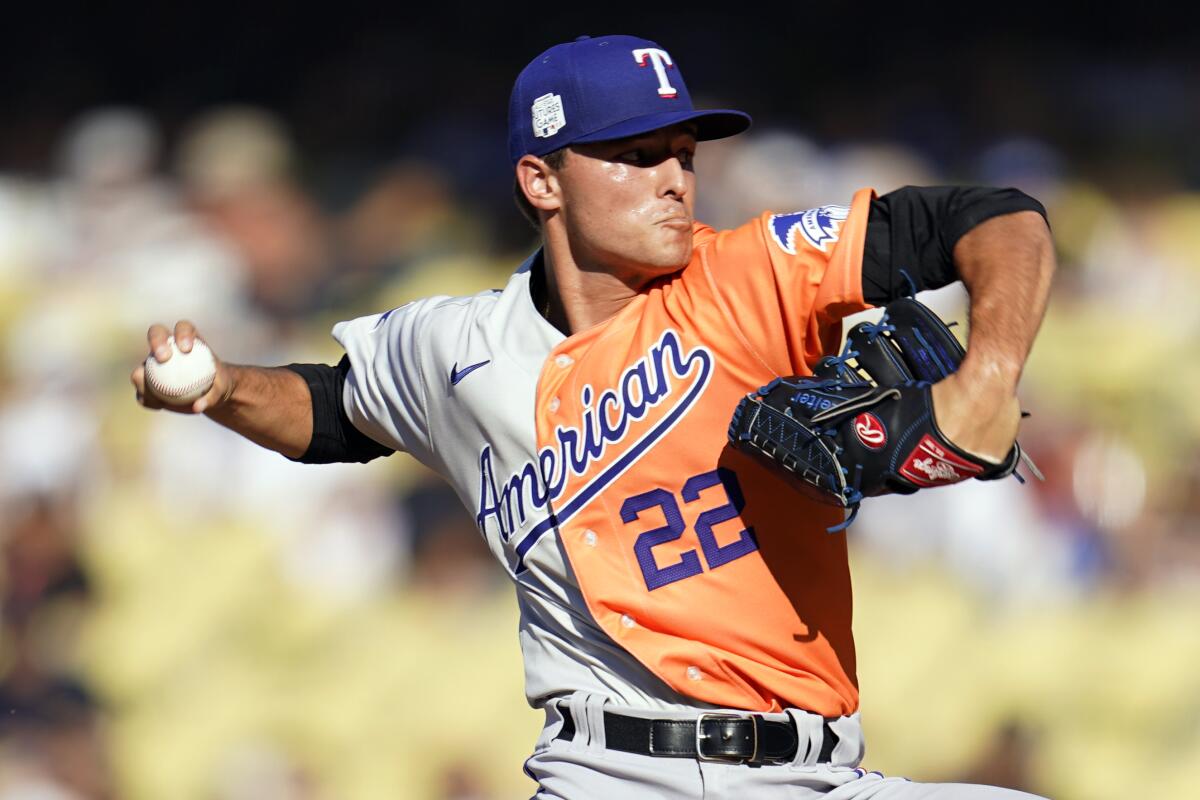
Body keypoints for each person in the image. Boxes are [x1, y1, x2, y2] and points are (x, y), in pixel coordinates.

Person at [132, 34, 1056, 799]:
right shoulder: (455, 348)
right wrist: (221, 389)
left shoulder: (750, 272)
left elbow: (995, 216)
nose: (675, 179)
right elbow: (335, 410)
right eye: (636, 153)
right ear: (542, 181)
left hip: (815, 774)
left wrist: (990, 370)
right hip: (605, 774)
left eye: (684, 154)